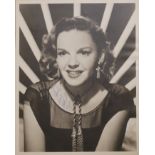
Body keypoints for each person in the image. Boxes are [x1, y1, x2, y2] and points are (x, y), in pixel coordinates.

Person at [23, 16, 135, 152]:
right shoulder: (37, 97)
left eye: (83, 52)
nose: (72, 63)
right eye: (63, 53)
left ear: (100, 56)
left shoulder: (117, 99)